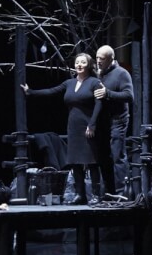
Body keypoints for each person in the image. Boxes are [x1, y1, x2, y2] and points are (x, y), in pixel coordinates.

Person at [23, 52, 104, 204]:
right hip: (73, 128)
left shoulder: (94, 82)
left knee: (92, 162)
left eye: (83, 62)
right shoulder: (69, 83)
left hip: (88, 127)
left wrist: (92, 125)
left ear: (88, 65)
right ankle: (80, 195)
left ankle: (96, 195)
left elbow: (99, 104)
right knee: (75, 161)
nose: (79, 65)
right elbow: (51, 91)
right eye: (77, 62)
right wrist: (31, 92)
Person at [92, 45, 134, 200]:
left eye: (101, 58)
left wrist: (107, 93)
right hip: (103, 122)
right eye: (96, 57)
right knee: (104, 157)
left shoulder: (122, 73)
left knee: (117, 156)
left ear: (110, 58)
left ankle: (122, 192)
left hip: (118, 120)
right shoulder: (99, 74)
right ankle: (107, 192)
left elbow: (129, 96)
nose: (98, 61)